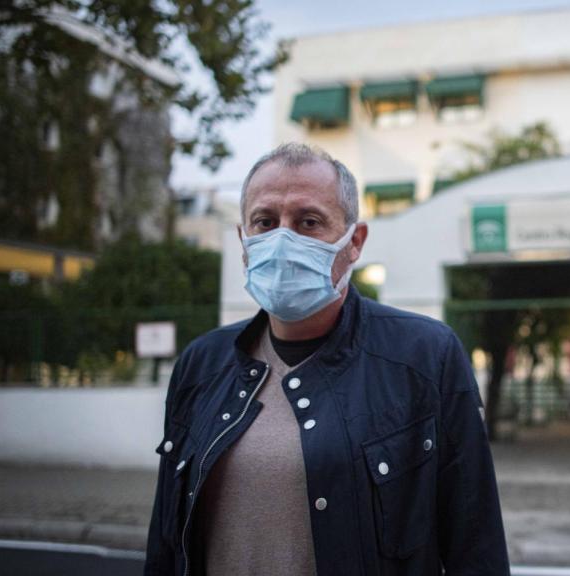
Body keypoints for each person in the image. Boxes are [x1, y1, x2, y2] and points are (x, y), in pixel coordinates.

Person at [144, 143, 509, 576]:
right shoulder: (201, 365)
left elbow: (475, 546)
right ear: (244, 241)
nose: (282, 239)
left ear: (354, 241)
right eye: (264, 222)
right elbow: (165, 547)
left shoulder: (426, 357)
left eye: (308, 222)